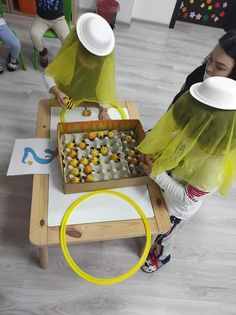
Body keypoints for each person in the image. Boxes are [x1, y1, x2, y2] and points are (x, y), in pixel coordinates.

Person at [138, 76, 236, 273]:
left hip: (177, 208)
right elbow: (177, 139)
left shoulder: (212, 169)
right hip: (164, 185)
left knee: (164, 235)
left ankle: (161, 256)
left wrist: (155, 174)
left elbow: (187, 198)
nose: (185, 131)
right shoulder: (197, 136)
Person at [43, 12, 117, 120]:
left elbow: (105, 86)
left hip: (92, 99)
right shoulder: (71, 55)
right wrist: (57, 92)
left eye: (94, 63)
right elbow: (47, 75)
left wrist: (104, 109)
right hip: (67, 96)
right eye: (86, 62)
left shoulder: (104, 60)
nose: (90, 66)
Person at [172, 30, 236, 104]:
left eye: (220, 67)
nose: (208, 68)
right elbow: (183, 89)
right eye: (210, 59)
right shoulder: (200, 71)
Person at [30, 0, 70, 68]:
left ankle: (64, 57)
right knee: (34, 35)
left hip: (58, 19)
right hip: (41, 19)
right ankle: (42, 51)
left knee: (67, 39)